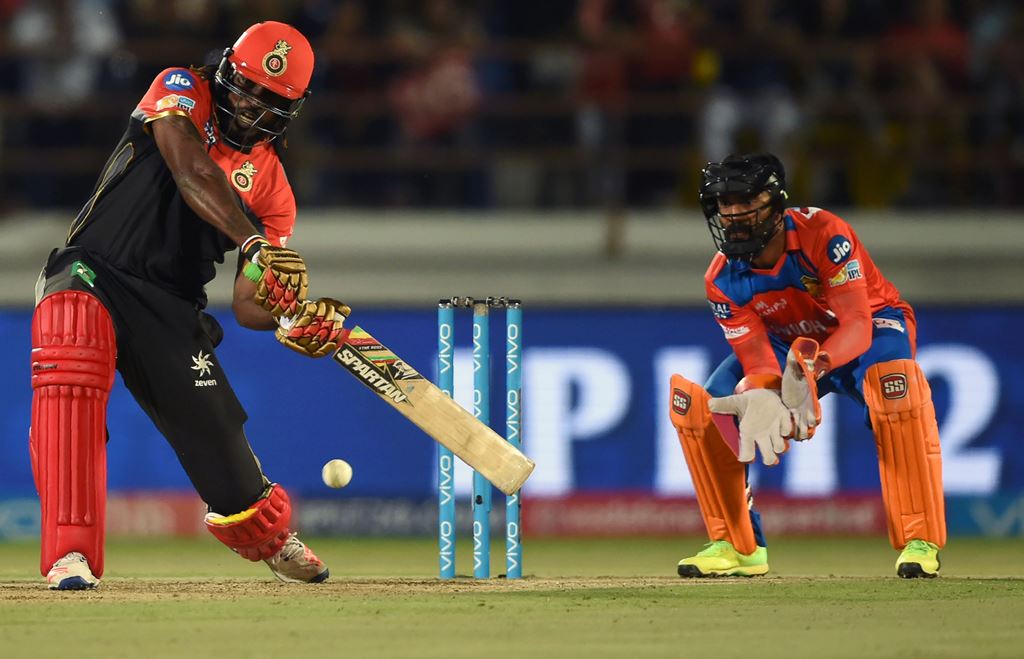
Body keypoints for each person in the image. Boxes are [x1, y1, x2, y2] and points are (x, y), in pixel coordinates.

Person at [30, 21, 349, 590]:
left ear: (291, 110)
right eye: (245, 89)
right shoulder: (181, 88)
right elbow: (189, 168)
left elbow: (251, 303)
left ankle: (268, 538)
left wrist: (291, 314)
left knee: (216, 436)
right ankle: (70, 553)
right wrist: (251, 242)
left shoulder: (272, 186)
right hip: (92, 271)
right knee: (70, 350)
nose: (251, 109)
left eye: (269, 103)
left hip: (172, 306)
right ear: (223, 73)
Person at [668, 153, 946, 579]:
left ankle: (920, 541)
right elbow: (758, 359)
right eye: (725, 204)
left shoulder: (824, 233)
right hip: (788, 343)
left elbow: (856, 325)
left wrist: (810, 373)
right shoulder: (721, 280)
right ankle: (738, 547)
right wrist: (763, 391)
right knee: (705, 407)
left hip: (870, 326)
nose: (735, 213)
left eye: (746, 200)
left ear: (776, 203)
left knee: (896, 389)